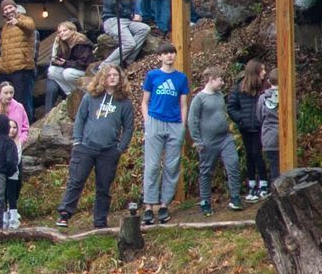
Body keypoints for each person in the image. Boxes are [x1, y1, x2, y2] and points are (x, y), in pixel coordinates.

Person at [56, 65, 137, 230]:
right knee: (76, 181)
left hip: (109, 150)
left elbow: (128, 128)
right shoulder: (90, 97)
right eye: (109, 75)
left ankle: (100, 221)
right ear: (102, 78)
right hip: (85, 147)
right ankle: (64, 214)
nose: (113, 78)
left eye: (116, 75)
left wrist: (120, 148)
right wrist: (77, 141)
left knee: (104, 186)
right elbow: (80, 119)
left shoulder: (125, 102)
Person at [140, 43, 189, 225]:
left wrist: (183, 125)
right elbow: (144, 101)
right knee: (152, 165)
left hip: (175, 123)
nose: (169, 56)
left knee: (171, 166)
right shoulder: (152, 75)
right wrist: (147, 121)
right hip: (155, 121)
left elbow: (183, 103)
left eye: (172, 53)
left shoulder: (181, 78)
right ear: (159, 56)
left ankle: (164, 205)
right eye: (166, 53)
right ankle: (148, 206)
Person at [188, 67, 244, 215]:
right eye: (220, 80)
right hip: (208, 141)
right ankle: (205, 201)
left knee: (233, 164)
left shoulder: (219, 95)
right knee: (206, 171)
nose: (223, 83)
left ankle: (235, 197)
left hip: (225, 138)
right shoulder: (199, 99)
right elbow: (192, 120)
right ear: (211, 79)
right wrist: (198, 141)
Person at [0, 80, 31, 230]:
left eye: (11, 93)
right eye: (6, 93)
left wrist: (19, 141)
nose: (9, 96)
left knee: (15, 184)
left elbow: (25, 128)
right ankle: (0, 220)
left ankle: (13, 212)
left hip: (15, 148)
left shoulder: (19, 107)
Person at [231, 60, 271, 202]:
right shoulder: (239, 88)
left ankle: (264, 184)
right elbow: (231, 107)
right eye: (262, 70)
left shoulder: (266, 86)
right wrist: (241, 119)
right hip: (246, 128)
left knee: (257, 153)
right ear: (255, 72)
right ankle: (252, 184)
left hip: (260, 127)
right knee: (250, 154)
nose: (265, 73)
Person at [0, 0, 38, 117]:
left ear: (16, 8)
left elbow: (31, 26)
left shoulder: (26, 20)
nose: (8, 10)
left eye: (10, 7)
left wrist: (18, 22)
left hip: (21, 69)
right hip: (6, 70)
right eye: (5, 9)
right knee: (6, 102)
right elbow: (4, 49)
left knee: (22, 102)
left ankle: (25, 129)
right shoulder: (5, 27)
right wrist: (0, 65)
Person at [43, 22, 94, 112]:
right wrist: (56, 61)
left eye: (64, 30)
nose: (61, 33)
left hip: (84, 71)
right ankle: (70, 93)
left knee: (67, 73)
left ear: (73, 30)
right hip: (70, 68)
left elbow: (84, 63)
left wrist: (66, 63)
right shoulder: (62, 43)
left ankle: (79, 92)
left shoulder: (81, 42)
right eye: (59, 32)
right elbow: (61, 59)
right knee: (52, 71)